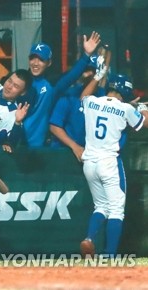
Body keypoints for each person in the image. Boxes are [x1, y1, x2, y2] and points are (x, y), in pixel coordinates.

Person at [79, 65, 148, 258]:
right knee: (116, 210)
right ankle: (109, 255)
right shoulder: (124, 108)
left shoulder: (92, 101)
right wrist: (141, 107)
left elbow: (83, 97)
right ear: (125, 91)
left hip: (89, 163)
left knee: (101, 207)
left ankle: (90, 238)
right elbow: (144, 123)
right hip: (108, 162)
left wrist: (96, 78)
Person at [23, 31, 101, 147]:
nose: (35, 63)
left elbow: (71, 76)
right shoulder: (18, 80)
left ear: (49, 63)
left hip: (36, 147)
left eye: (40, 60)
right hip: (13, 140)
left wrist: (86, 55)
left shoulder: (51, 85)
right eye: (32, 58)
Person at [49, 53, 104, 161]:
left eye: (90, 70)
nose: (85, 74)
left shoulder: (104, 95)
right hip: (64, 151)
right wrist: (74, 146)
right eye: (84, 70)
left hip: (93, 155)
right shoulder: (70, 94)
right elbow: (54, 126)